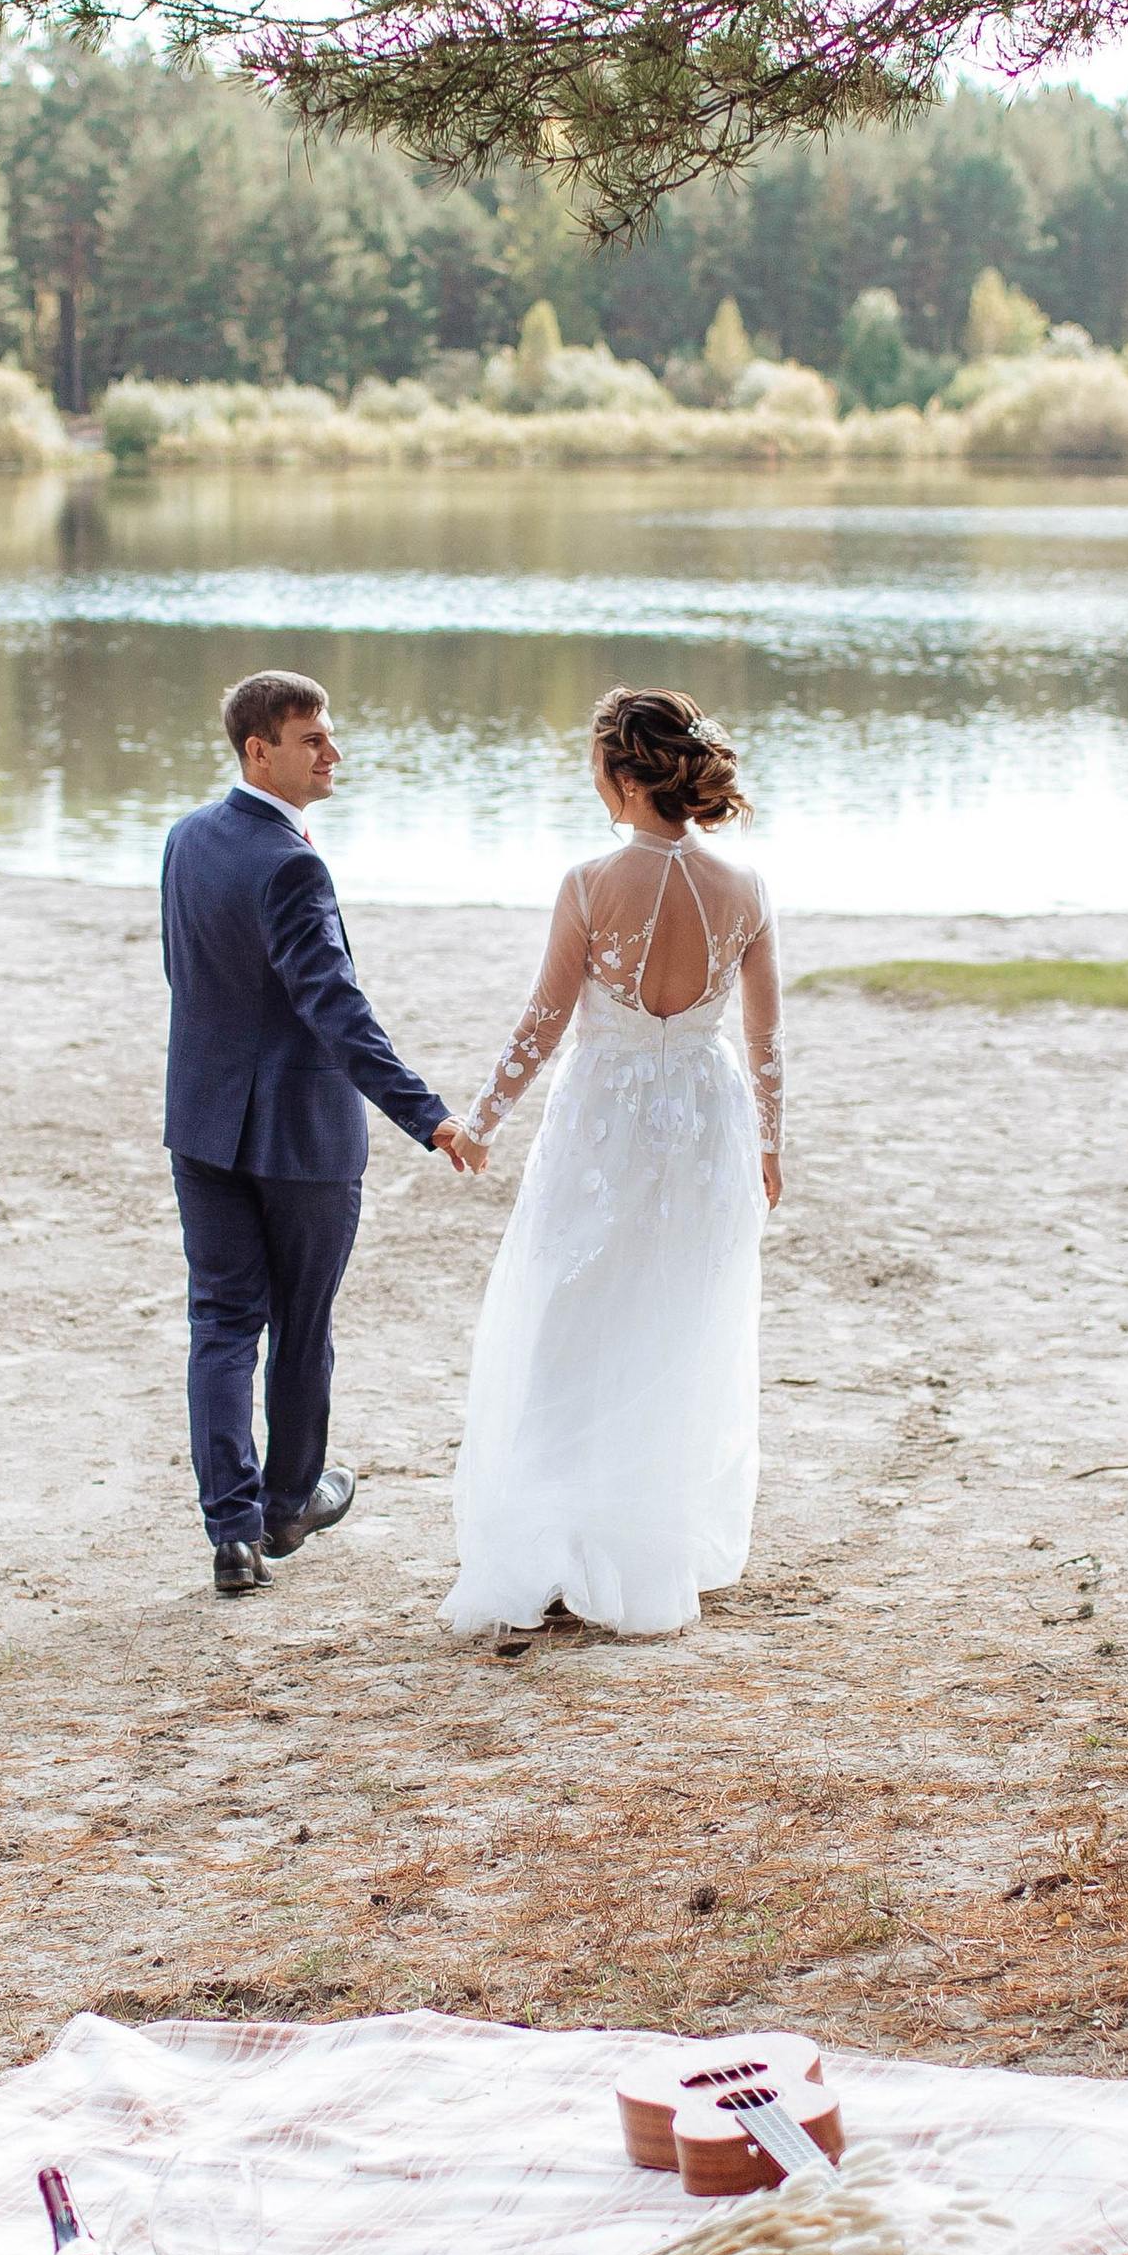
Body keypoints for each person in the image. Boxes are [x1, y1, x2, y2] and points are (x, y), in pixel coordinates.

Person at [444, 686, 783, 1640]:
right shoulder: (745, 888)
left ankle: (563, 1542)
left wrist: (482, 1121)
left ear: (621, 774)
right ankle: (645, 1547)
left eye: (596, 765)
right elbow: (765, 1035)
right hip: (707, 1121)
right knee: (678, 1319)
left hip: (604, 1123)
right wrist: (769, 1142)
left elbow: (543, 1022)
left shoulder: (591, 883)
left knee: (574, 1315)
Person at [161, 669, 479, 1595]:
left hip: (203, 1125)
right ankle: (289, 1503)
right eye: (313, 740)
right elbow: (336, 1009)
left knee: (220, 1322)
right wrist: (429, 1115)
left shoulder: (186, 839)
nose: (333, 753)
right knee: (299, 1325)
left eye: (331, 736)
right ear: (259, 750)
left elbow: (191, 975)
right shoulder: (292, 862)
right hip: (299, 1141)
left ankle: (232, 1533)